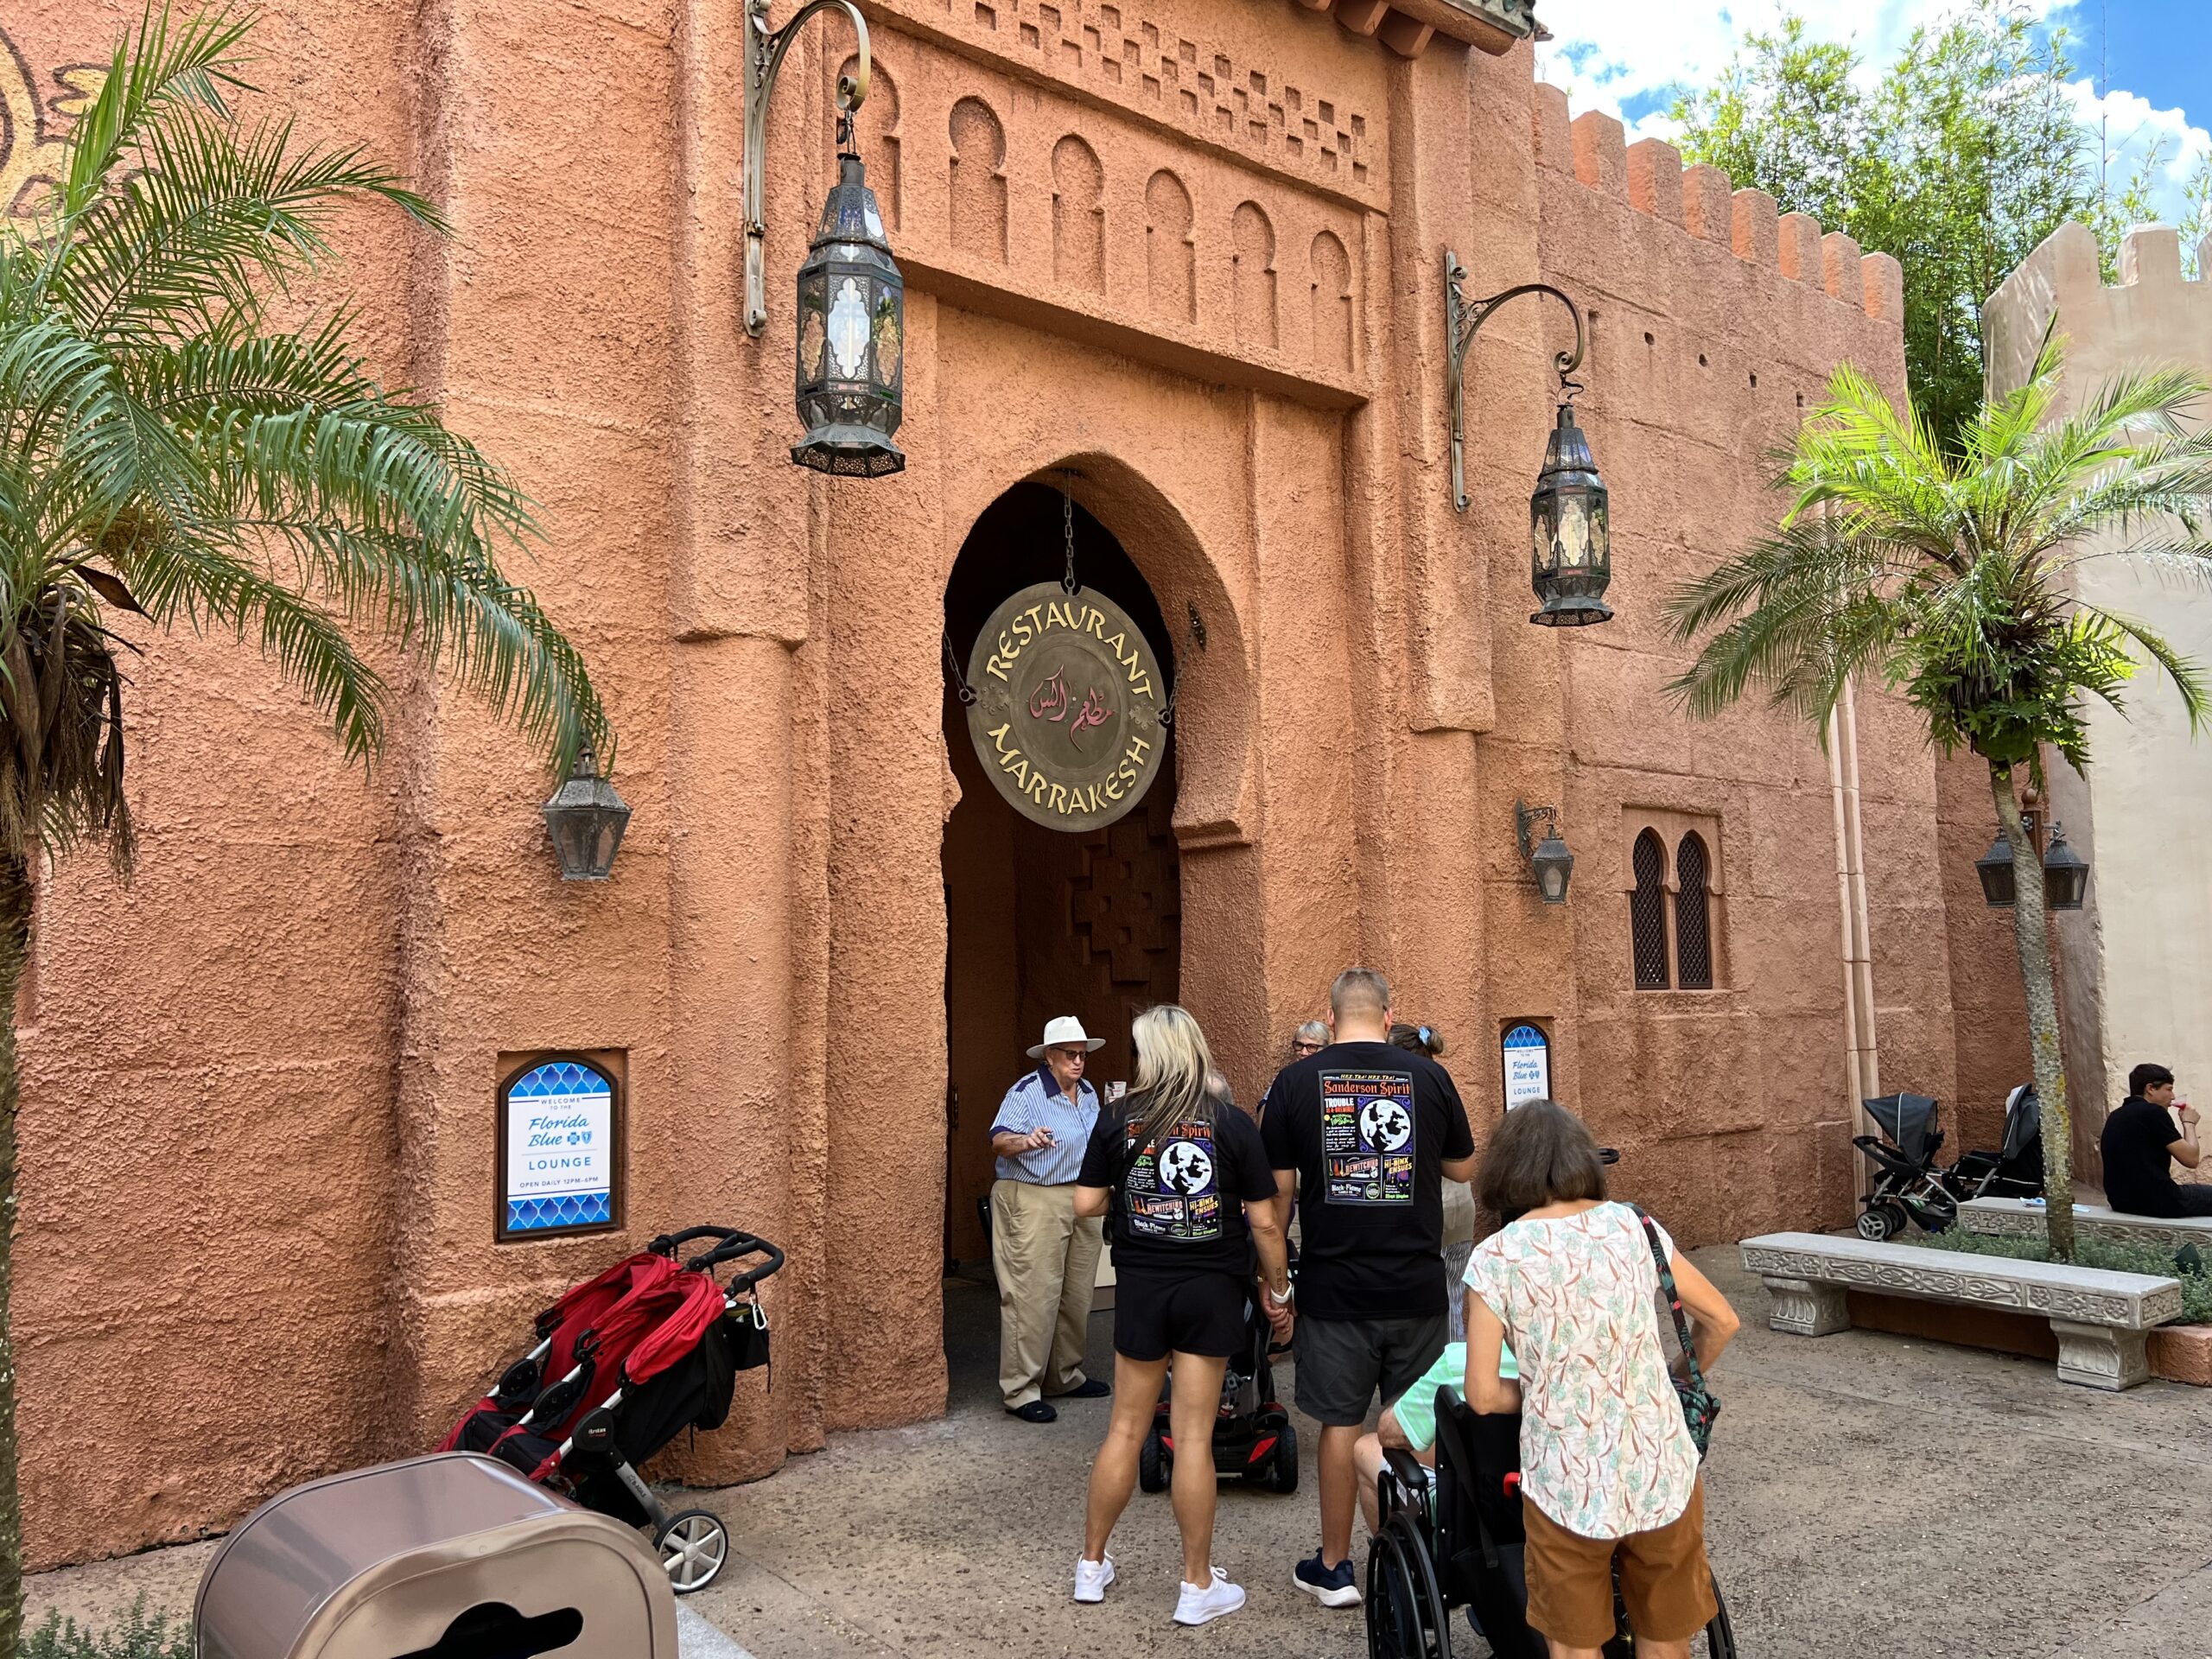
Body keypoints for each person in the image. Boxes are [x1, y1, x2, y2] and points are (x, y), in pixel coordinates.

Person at [1461, 1100, 1740, 1659]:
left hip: (1566, 1481)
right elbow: (1721, 1322)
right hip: (1660, 1465)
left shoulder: (1496, 1258)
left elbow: (1482, 1394)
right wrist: (1667, 1378)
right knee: (1666, 1640)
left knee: (1574, 1646)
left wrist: (1542, 1389)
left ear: (1505, 1171)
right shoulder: (1635, 1225)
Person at [1262, 968, 1476, 1608]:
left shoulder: (1295, 1083)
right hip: (1416, 1285)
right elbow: (1464, 1166)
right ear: (1388, 1016)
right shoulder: (1431, 1077)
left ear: (1330, 1020)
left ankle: (1335, 1567)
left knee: (1336, 1423)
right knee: (1417, 1425)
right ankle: (1432, 1558)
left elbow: (1276, 1198)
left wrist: (1278, 1286)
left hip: (1334, 1290)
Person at [1071, 1006, 1294, 1625]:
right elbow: (1266, 1219)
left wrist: (1136, 1194)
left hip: (1143, 1287)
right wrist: (1278, 1288)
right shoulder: (1228, 1121)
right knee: (1193, 1437)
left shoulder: (1116, 1118)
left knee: (1125, 1429)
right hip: (1210, 1288)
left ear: (1149, 1055)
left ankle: (1092, 1566)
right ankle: (1196, 1586)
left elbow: (1087, 1203)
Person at [990, 1016, 1112, 1423]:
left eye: (1083, 1055)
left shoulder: (1090, 1091)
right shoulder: (1026, 1092)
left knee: (1076, 1292)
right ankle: (1022, 1389)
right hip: (1035, 1197)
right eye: (1070, 1055)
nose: (1079, 1062)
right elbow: (999, 1140)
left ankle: (1064, 1374)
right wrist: (1026, 1141)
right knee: (1032, 1295)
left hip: (1082, 1195)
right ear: (1049, 1057)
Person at [1389, 1022, 1479, 1342]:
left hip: (1427, 1209)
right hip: (1458, 1207)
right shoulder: (1440, 1086)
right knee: (1452, 1296)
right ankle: (1452, 1376)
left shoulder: (1401, 1096)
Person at [2101, 1063, 2210, 1217]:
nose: (2172, 1097)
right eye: (2169, 1089)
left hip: (2120, 1201)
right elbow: (2191, 1160)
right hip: (2160, 1201)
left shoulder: (2116, 1115)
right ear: (2150, 1089)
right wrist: (2189, 1123)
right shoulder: (2153, 1112)